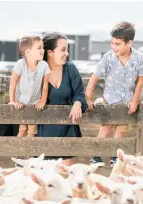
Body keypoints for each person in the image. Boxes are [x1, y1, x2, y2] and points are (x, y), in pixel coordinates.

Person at [85, 21, 143, 165]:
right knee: (105, 128)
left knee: (120, 132)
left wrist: (134, 101)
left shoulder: (139, 58)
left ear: (129, 43)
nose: (114, 47)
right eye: (112, 43)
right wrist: (87, 97)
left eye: (118, 44)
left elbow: (140, 82)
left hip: (126, 103)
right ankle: (96, 156)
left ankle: (116, 157)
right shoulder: (108, 57)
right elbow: (95, 77)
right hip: (109, 100)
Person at [37, 32, 88, 166]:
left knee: (66, 178)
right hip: (43, 132)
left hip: (67, 130)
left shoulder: (70, 69)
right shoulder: (37, 72)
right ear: (50, 52)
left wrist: (77, 103)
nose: (66, 54)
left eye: (67, 50)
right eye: (63, 50)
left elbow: (79, 94)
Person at [9, 35, 50, 137]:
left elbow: (45, 85)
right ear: (28, 52)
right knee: (22, 130)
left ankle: (29, 153)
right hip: (21, 103)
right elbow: (12, 83)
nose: (43, 50)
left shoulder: (44, 65)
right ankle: (18, 153)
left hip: (35, 104)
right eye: (39, 48)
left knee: (32, 132)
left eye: (43, 47)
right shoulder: (20, 64)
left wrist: (42, 101)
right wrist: (13, 101)